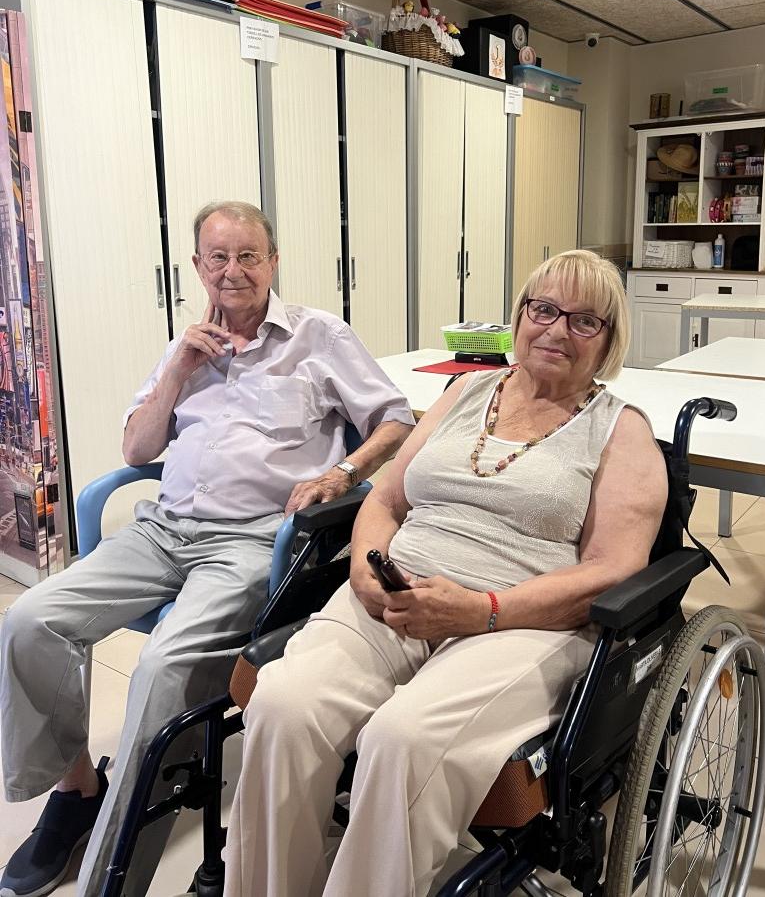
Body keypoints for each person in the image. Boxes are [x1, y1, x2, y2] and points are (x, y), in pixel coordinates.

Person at [222, 248, 669, 897]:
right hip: (397, 595)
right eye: (543, 309)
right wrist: (364, 572)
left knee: (402, 739)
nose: (556, 330)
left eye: (583, 320)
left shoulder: (619, 430)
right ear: (519, 316)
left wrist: (483, 610)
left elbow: (612, 570)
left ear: (608, 340)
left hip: (521, 621)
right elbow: (386, 499)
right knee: (285, 705)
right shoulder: (464, 392)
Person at [0, 201, 414, 897]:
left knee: (161, 666)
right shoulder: (185, 345)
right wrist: (178, 370)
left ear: (273, 261)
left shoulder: (319, 336)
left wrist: (341, 473)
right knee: (28, 621)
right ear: (197, 266)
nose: (233, 271)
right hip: (161, 530)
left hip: (252, 540)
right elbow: (137, 450)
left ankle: (113, 871)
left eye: (248, 255)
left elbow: (395, 420)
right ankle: (76, 794)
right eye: (218, 257)